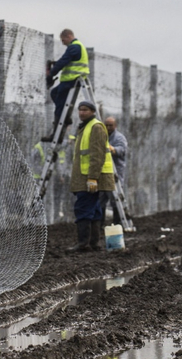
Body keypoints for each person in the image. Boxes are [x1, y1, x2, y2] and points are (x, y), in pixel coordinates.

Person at [69, 101, 114, 252]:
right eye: (80, 110)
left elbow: (97, 155)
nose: (82, 113)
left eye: (85, 110)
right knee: (94, 209)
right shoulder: (86, 127)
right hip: (85, 176)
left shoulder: (95, 127)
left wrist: (92, 178)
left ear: (93, 112)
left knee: (83, 208)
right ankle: (94, 243)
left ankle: (84, 244)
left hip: (88, 177)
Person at [42, 29, 90, 143]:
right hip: (73, 79)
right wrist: (55, 64)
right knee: (54, 93)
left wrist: (51, 74)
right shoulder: (77, 47)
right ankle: (66, 118)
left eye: (63, 40)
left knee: (60, 107)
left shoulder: (74, 47)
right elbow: (66, 61)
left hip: (72, 80)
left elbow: (64, 61)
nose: (63, 43)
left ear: (69, 36)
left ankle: (56, 135)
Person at [98, 117, 128, 226]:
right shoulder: (102, 137)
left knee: (115, 199)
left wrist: (112, 149)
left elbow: (122, 150)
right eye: (106, 125)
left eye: (110, 125)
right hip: (103, 173)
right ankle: (100, 224)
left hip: (115, 173)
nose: (108, 127)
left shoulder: (120, 138)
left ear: (115, 126)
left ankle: (117, 223)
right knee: (101, 199)